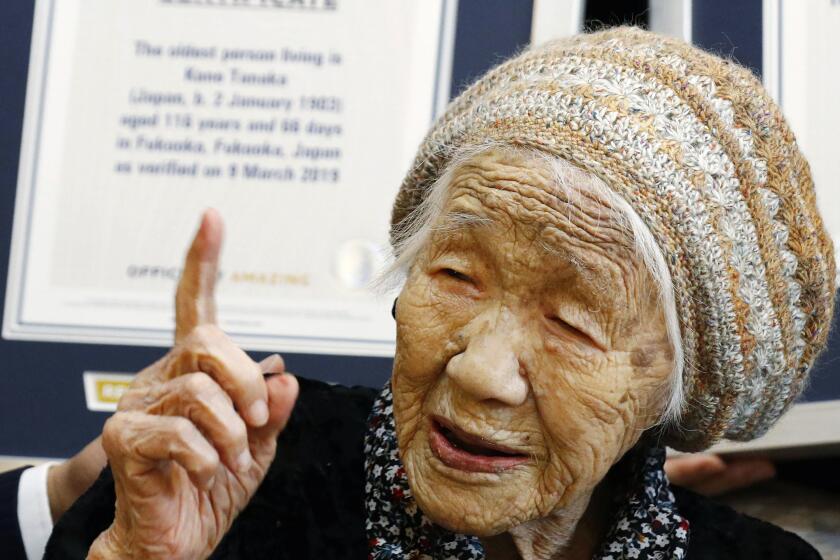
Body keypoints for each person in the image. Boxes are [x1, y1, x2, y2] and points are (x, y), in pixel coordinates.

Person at [46, 27, 834, 559]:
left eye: (572, 320)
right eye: (455, 275)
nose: (479, 371)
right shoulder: (225, 481)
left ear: (674, 381)